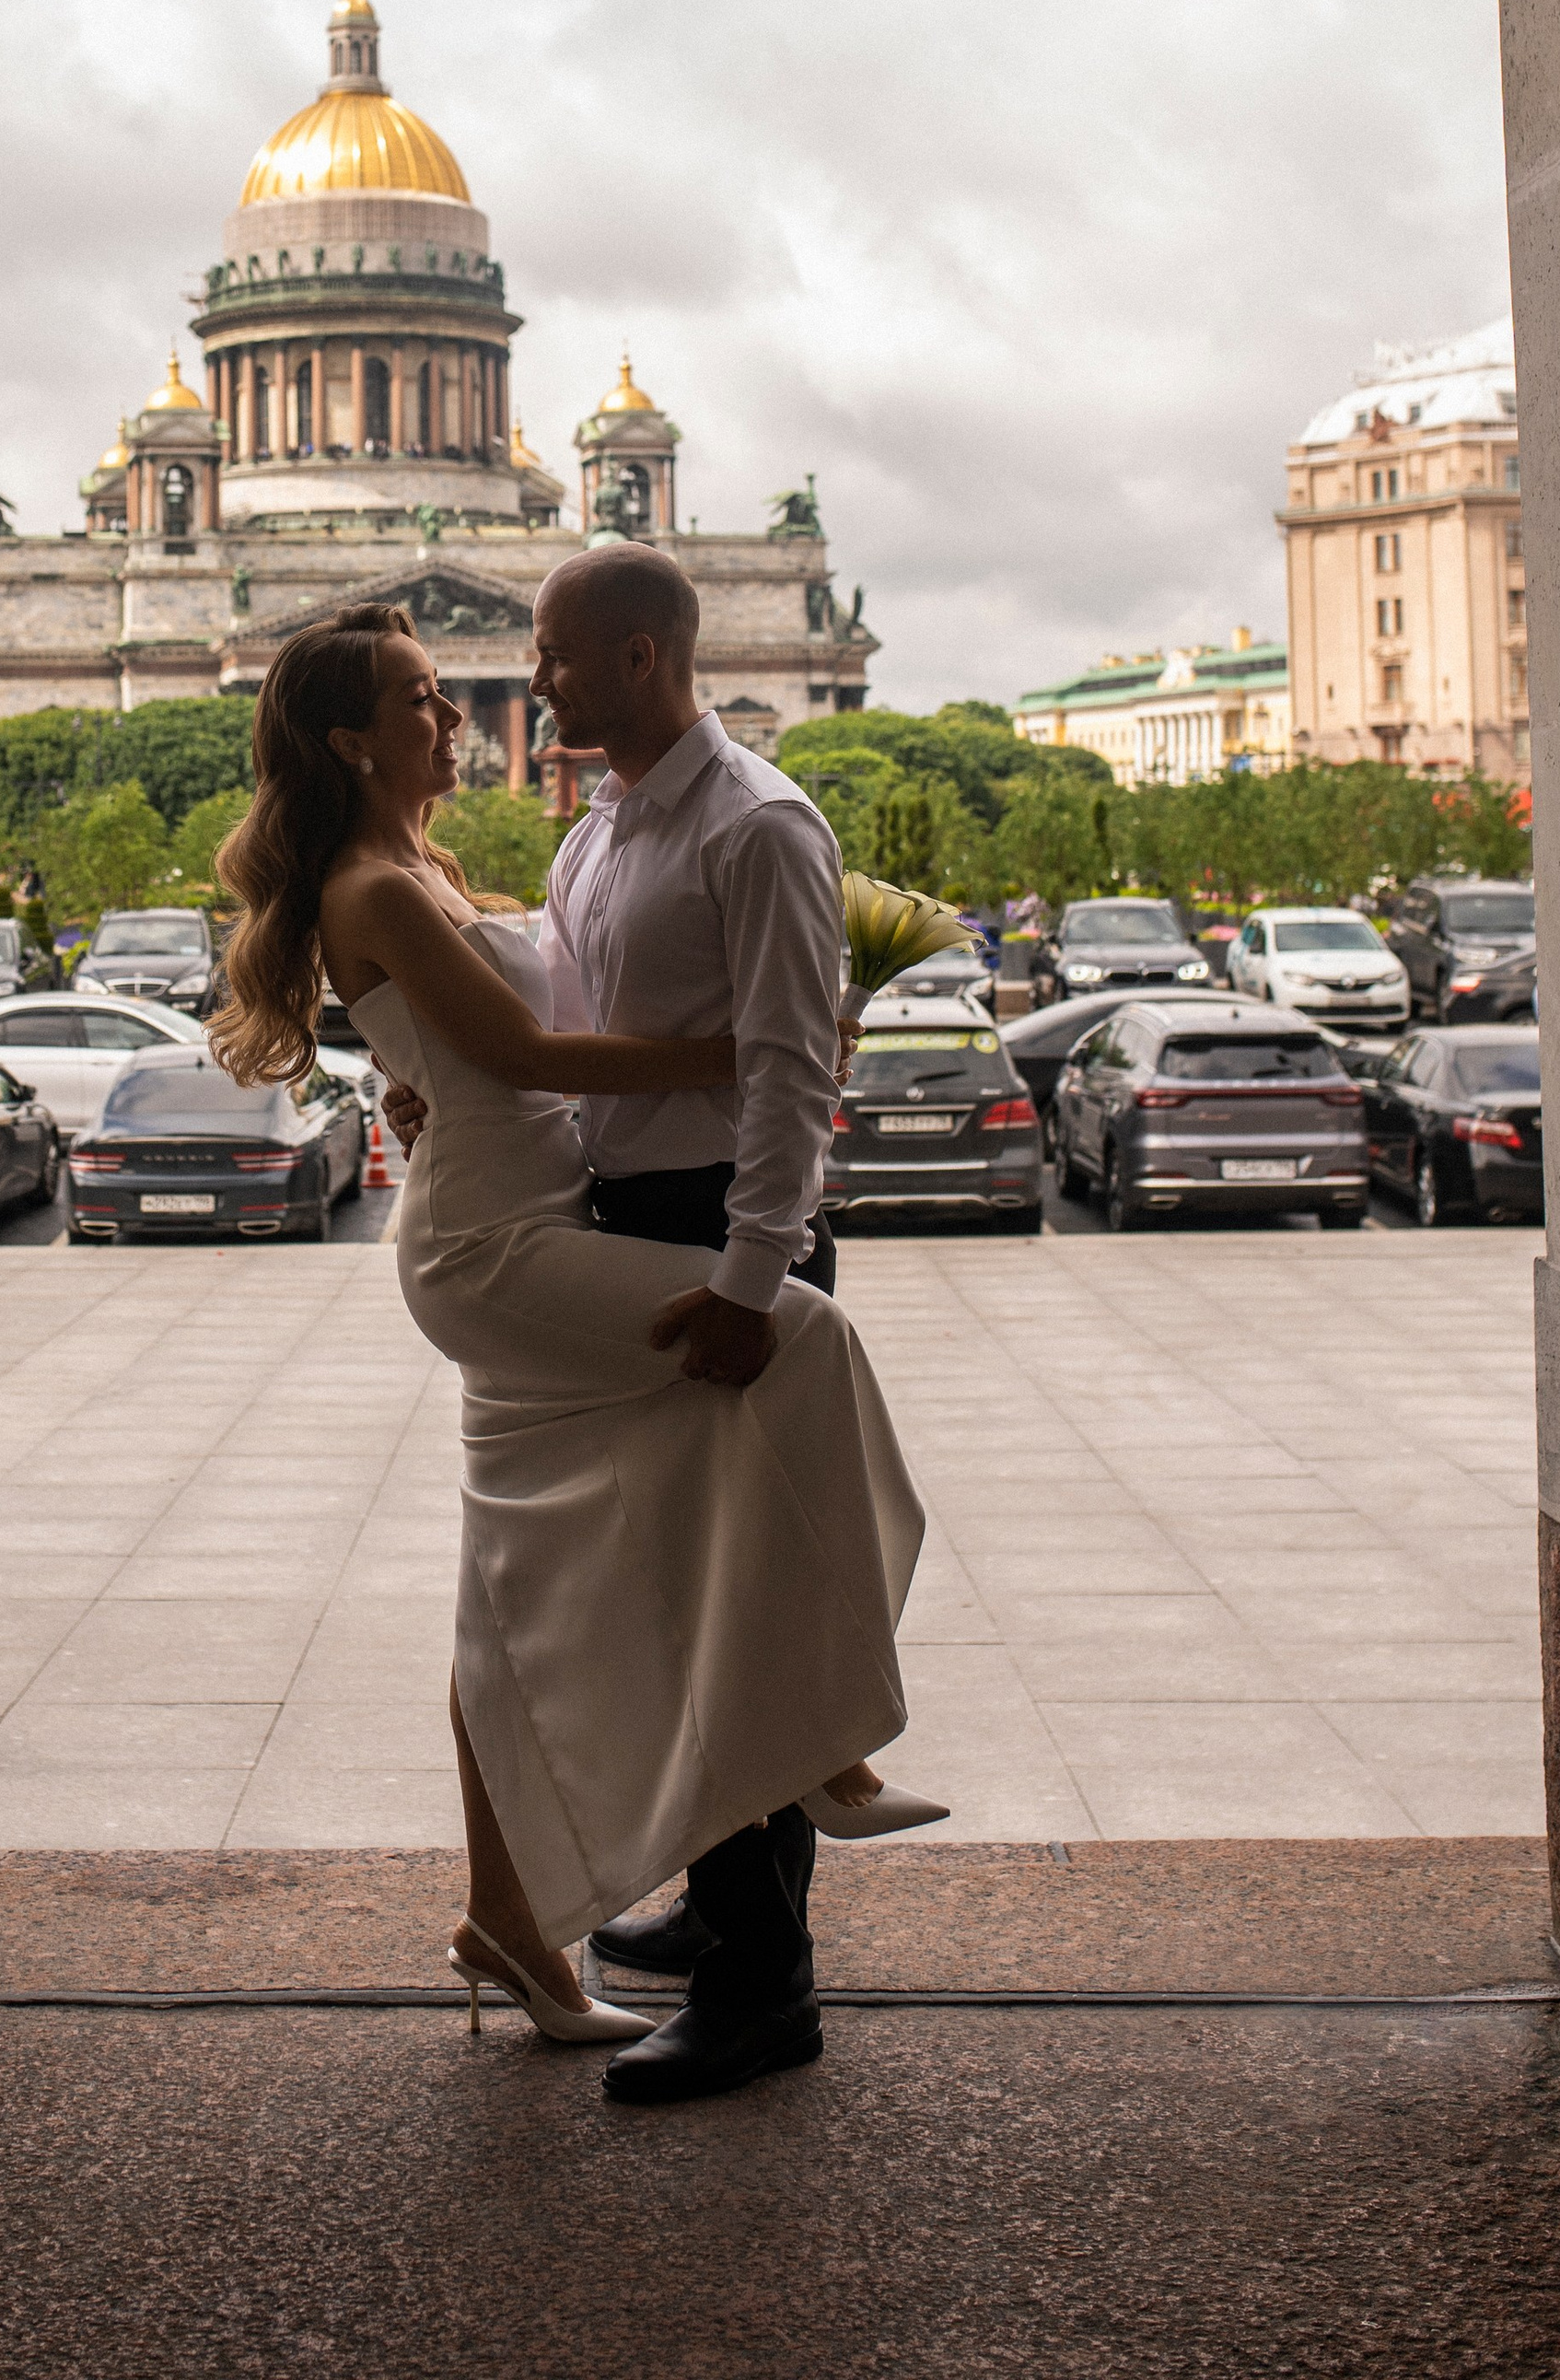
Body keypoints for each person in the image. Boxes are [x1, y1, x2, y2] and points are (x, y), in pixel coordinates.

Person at [212, 598, 928, 2108]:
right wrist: (753, 1047)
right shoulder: (380, 881)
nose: (475, 705)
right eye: (429, 694)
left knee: (506, 1597)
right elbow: (527, 1056)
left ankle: (514, 1926)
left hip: (530, 1216)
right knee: (798, 1342)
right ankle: (826, 1742)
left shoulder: (440, 861)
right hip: (498, 1250)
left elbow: (499, 1032)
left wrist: (423, 1084)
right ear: (354, 737)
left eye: (472, 679)